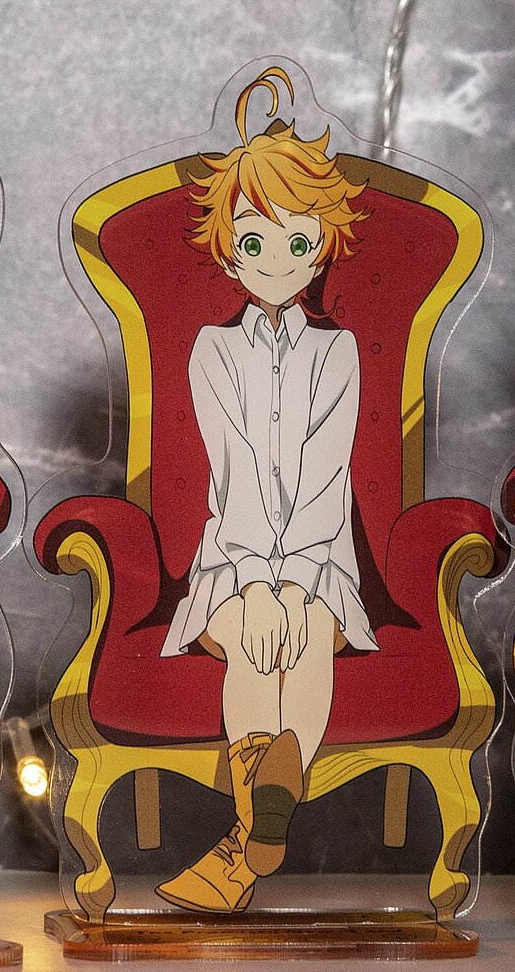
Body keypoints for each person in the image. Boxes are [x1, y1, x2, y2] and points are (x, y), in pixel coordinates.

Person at [157, 67, 371, 913]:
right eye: (254, 242)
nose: (275, 260)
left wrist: (299, 578)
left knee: (307, 630)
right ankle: (266, 811)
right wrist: (254, 577)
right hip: (230, 555)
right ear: (228, 250)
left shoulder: (337, 351)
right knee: (253, 633)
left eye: (295, 240)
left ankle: (245, 846)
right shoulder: (213, 349)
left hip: (324, 558)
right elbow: (233, 465)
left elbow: (327, 472)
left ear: (321, 246)